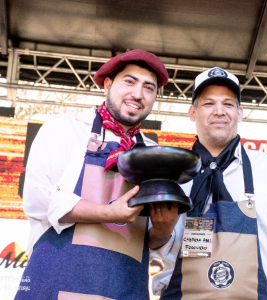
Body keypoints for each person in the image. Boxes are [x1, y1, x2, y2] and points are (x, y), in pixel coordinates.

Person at [15, 49, 180, 300]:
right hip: (55, 281)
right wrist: (109, 213)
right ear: (107, 84)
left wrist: (164, 229)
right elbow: (39, 199)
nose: (138, 94)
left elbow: (154, 245)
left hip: (125, 289)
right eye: (129, 81)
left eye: (149, 88)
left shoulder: (153, 155)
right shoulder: (64, 129)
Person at [153, 67, 267, 299]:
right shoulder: (170, 174)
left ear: (240, 113)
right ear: (192, 113)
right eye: (209, 103)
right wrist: (160, 234)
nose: (219, 111)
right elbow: (154, 247)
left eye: (228, 104)